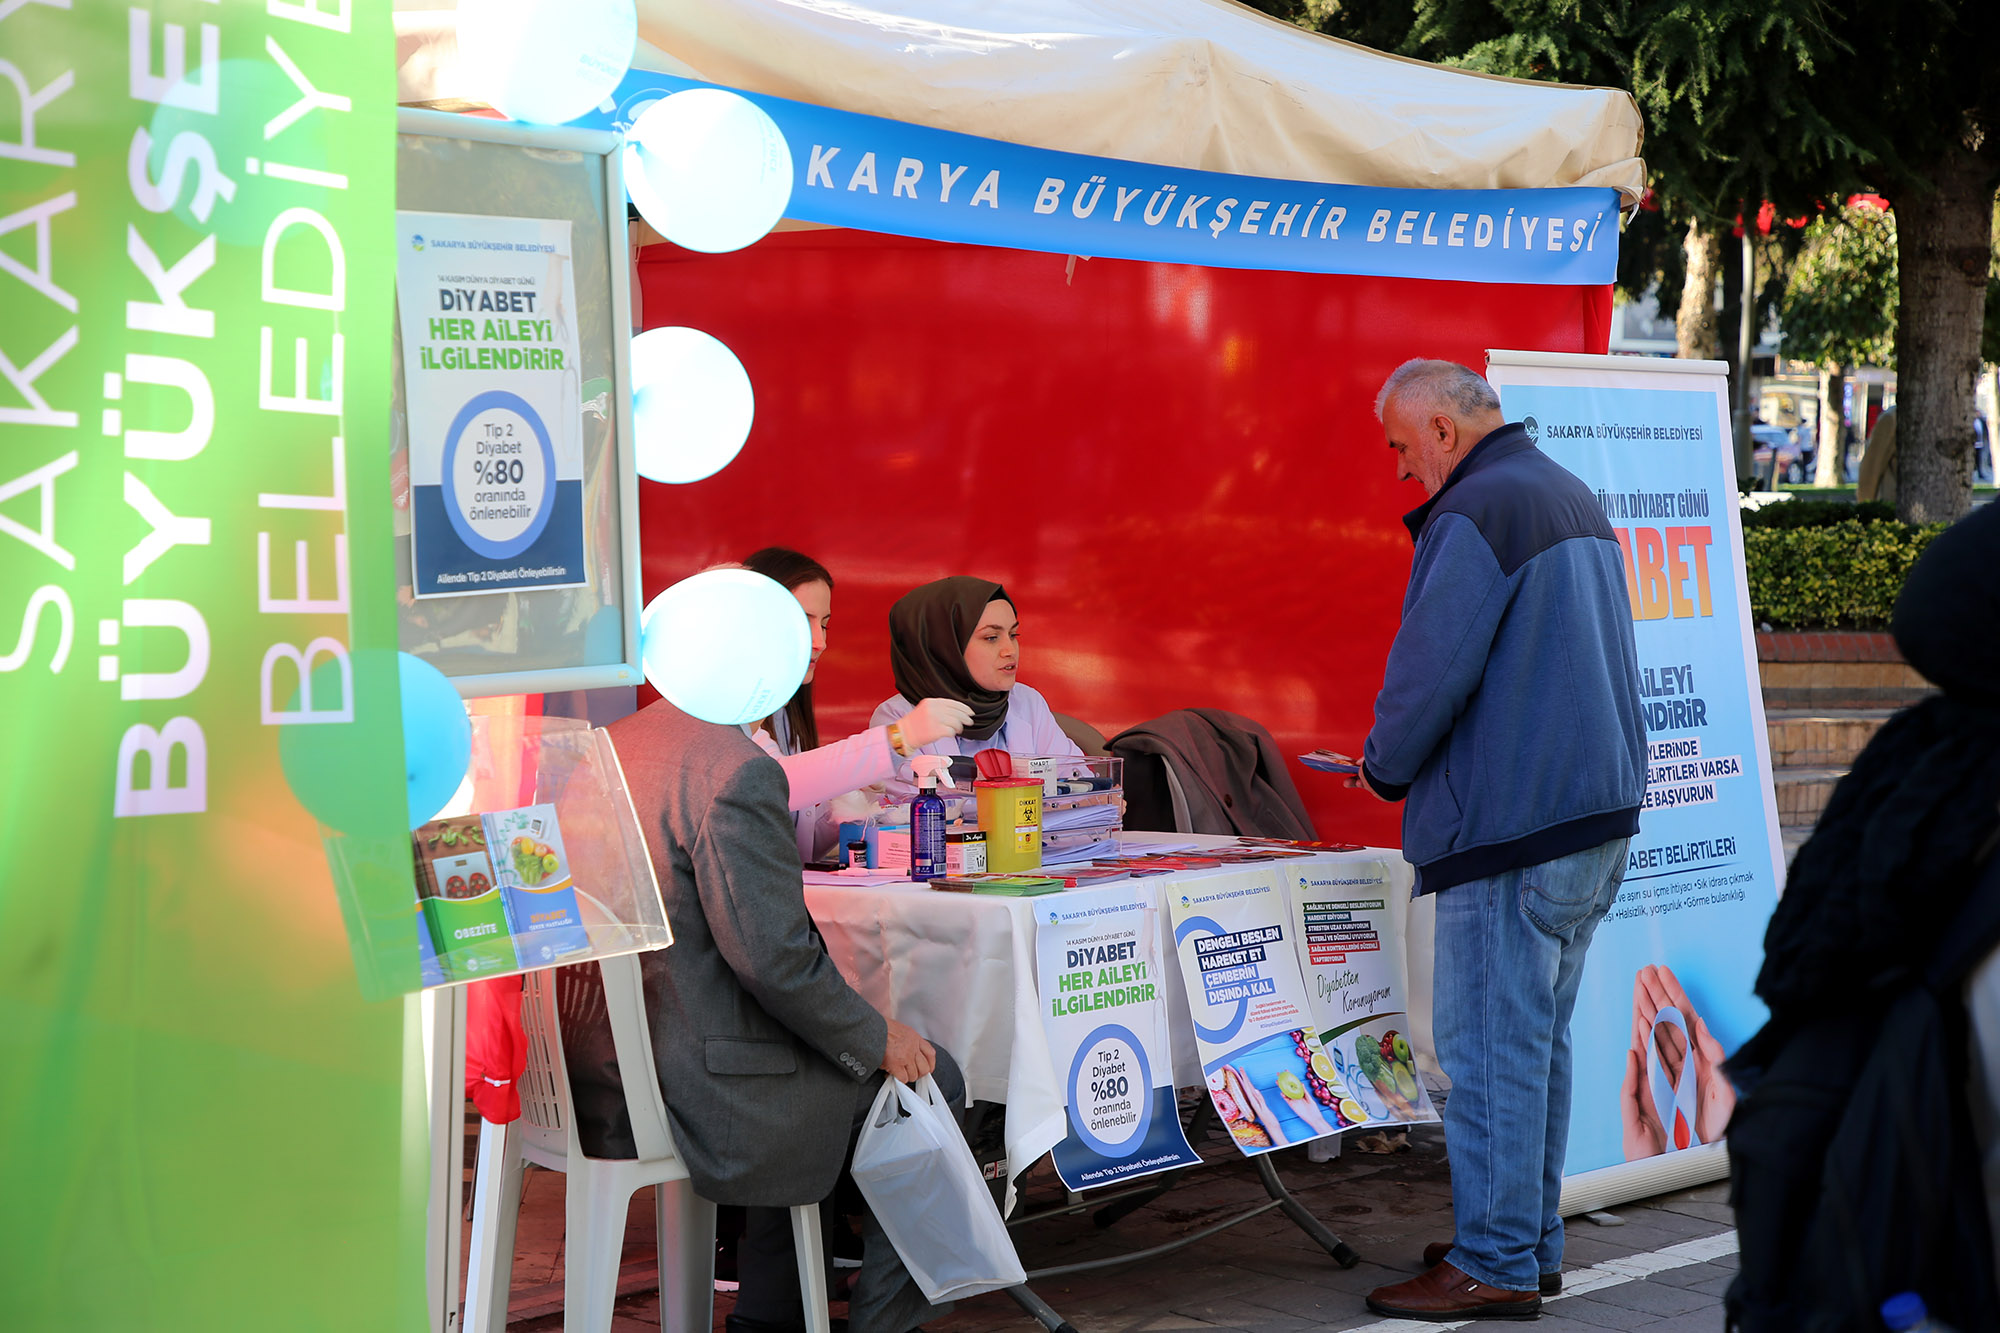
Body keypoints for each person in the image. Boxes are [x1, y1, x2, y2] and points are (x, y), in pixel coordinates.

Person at [1336, 359, 1646, 1321]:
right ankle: (1525, 1238)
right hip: (1590, 817)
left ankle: (1499, 1259)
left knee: (1492, 1054)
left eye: (1398, 445)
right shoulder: (1565, 490)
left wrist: (1382, 768)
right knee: (1537, 1043)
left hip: (1515, 824)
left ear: (1439, 429)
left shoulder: (1480, 510)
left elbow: (1431, 670)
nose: (1397, 470)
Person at [573, 696, 967, 1333]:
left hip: (610, 1057)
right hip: (700, 1076)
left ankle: (770, 1312)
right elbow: (774, 964)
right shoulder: (733, 767)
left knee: (820, 1062)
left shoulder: (611, 742)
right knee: (931, 1081)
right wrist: (873, 1037)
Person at [739, 548, 972, 861]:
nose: (820, 642)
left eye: (824, 624)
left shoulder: (784, 712)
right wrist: (898, 738)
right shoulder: (718, 711)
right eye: (801, 620)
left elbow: (800, 848)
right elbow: (780, 783)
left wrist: (852, 802)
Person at [871, 576, 1084, 767]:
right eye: (991, 638)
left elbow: (1082, 785)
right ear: (944, 647)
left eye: (1013, 635)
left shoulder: (1028, 701)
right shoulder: (898, 719)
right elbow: (920, 806)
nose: (1010, 651)